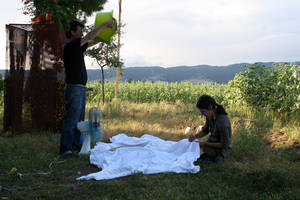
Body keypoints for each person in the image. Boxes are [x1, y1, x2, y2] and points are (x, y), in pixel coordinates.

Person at [59, 19, 115, 156]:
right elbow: (89, 37)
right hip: (75, 88)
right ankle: (65, 148)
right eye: (80, 31)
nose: (82, 33)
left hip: (79, 88)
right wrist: (103, 24)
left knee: (79, 120)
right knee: (72, 119)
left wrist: (105, 36)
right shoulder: (70, 45)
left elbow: (91, 42)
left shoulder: (76, 46)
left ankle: (77, 144)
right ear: (72, 32)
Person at [188, 95, 232, 163]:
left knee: (195, 151)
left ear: (210, 107)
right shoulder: (209, 116)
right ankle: (208, 157)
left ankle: (216, 157)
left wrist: (205, 144)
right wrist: (195, 136)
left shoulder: (222, 121)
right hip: (211, 143)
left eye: (203, 111)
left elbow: (224, 145)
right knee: (192, 147)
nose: (202, 114)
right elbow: (205, 131)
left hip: (220, 149)